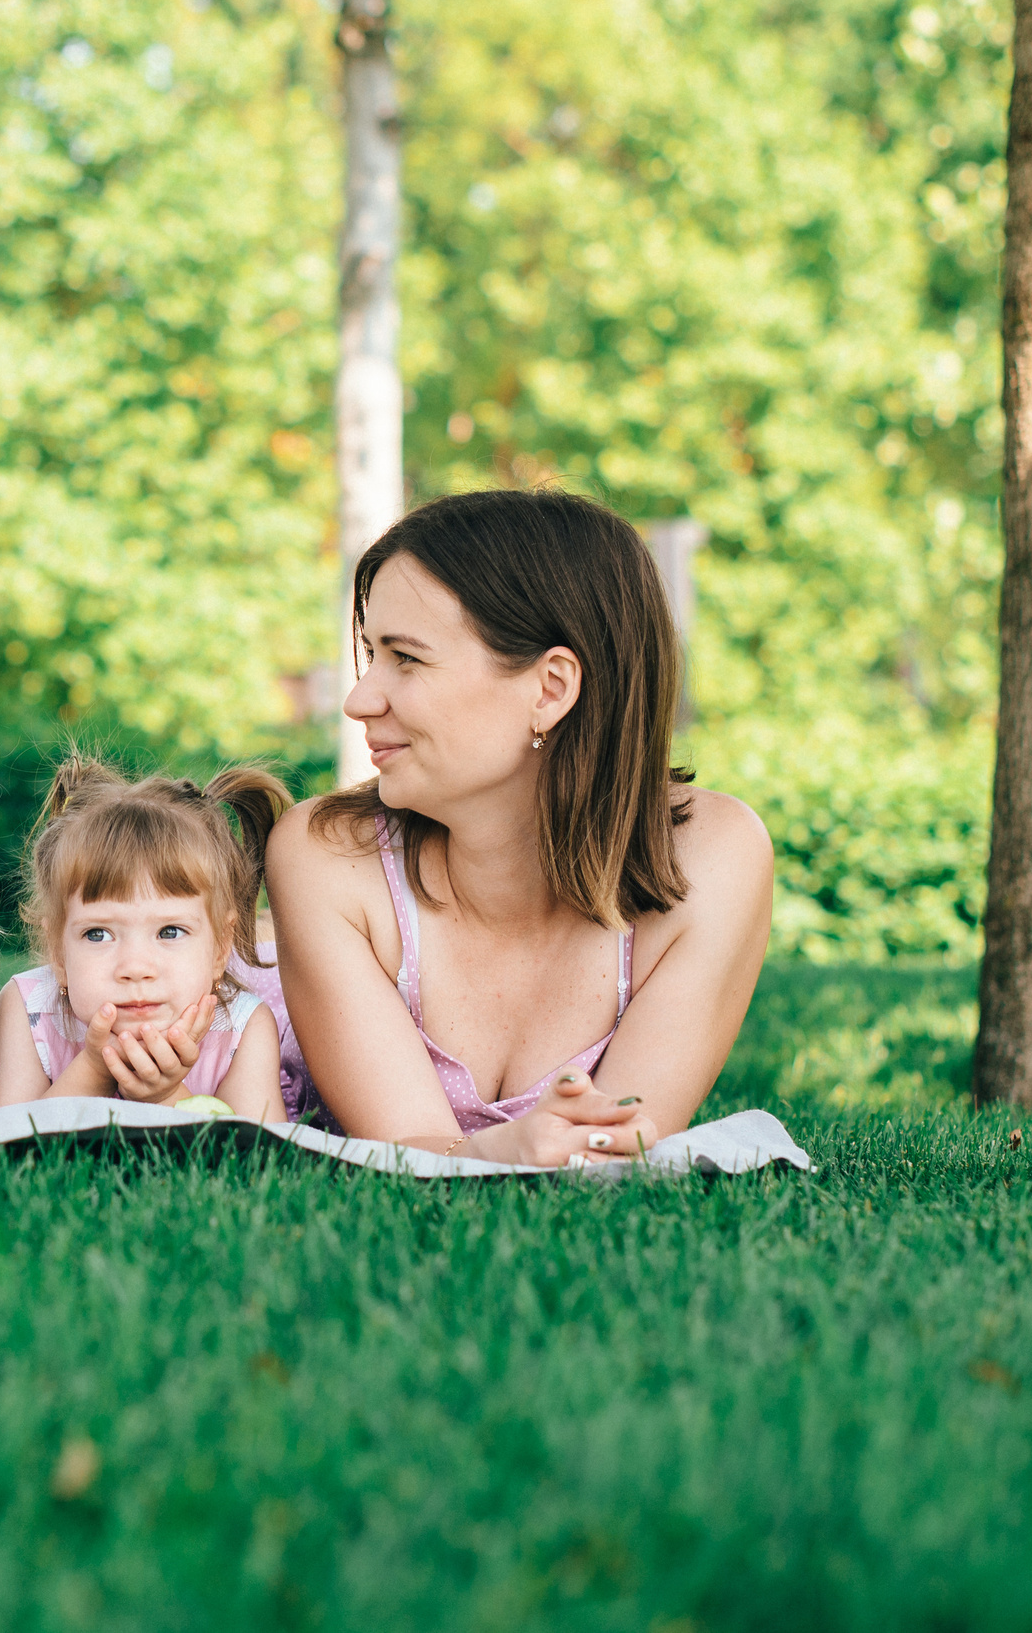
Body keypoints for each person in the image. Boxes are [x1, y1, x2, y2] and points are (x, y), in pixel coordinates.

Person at [265, 489, 773, 1167]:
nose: (361, 698)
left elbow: (610, 1149)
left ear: (550, 688)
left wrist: (541, 1147)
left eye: (407, 658)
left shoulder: (712, 857)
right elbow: (411, 1155)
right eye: (371, 654)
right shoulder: (325, 858)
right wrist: (516, 1146)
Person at [0, 758, 295, 1122]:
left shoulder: (242, 1028)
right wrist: (94, 1069)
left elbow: (255, 1159)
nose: (135, 968)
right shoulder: (31, 1008)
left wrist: (164, 1093)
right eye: (97, 934)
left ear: (220, 948)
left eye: (170, 932)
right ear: (58, 951)